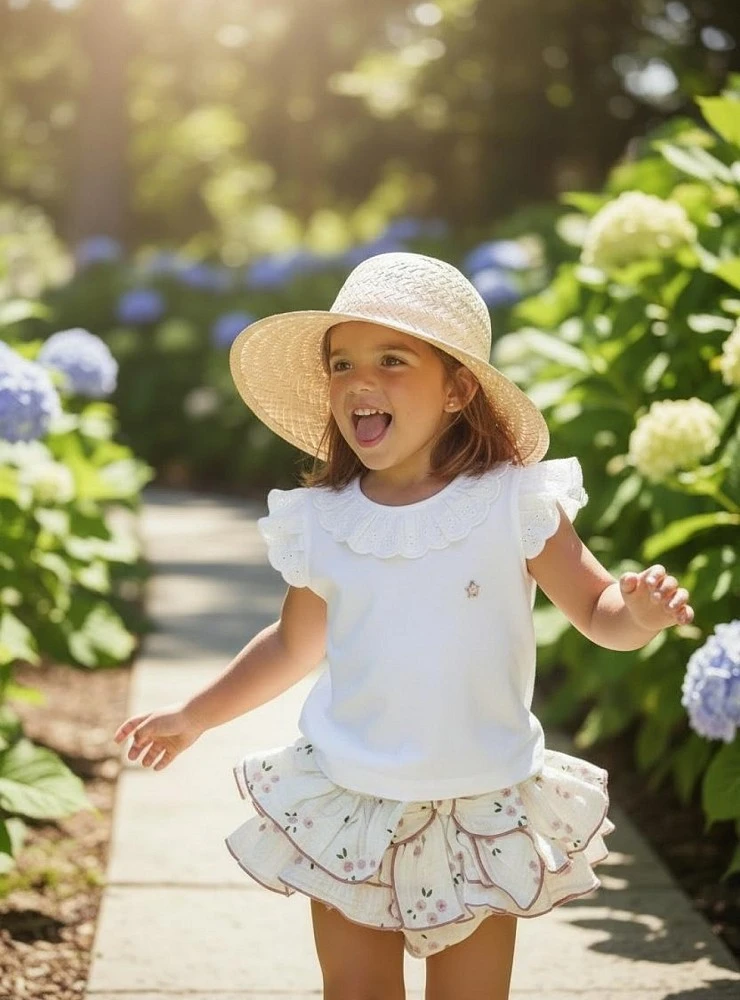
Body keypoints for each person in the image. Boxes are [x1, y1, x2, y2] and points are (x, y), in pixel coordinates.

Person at [114, 252, 694, 1000]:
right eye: (343, 362)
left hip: (482, 801)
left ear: (457, 389)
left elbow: (598, 613)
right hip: (352, 795)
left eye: (394, 360)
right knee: (355, 991)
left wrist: (637, 612)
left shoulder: (513, 502)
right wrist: (196, 715)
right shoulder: (325, 521)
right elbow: (295, 644)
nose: (362, 381)